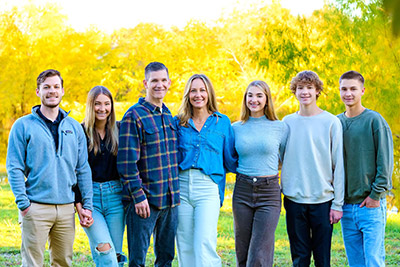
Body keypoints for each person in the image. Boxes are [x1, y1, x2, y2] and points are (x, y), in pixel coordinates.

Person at [6, 69, 93, 266]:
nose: (51, 91)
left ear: (63, 91)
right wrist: (24, 204)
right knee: (32, 263)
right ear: (38, 92)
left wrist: (86, 204)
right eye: (46, 87)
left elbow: (83, 168)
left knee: (63, 262)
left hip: (65, 209)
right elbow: (14, 167)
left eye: (56, 87)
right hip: (35, 207)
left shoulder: (74, 126)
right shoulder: (23, 125)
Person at [117, 62, 180, 267]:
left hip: (170, 200)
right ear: (145, 83)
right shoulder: (133, 116)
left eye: (163, 80)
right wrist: (138, 196)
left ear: (169, 83)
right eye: (154, 81)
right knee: (137, 260)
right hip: (145, 202)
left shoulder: (169, 115)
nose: (159, 85)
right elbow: (127, 163)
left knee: (166, 258)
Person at [280, 70, 344, 267]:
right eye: (300, 88)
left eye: (309, 88)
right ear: (295, 91)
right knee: (299, 258)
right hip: (294, 200)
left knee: (322, 258)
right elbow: (279, 160)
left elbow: (339, 165)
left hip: (323, 200)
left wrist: (338, 204)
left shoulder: (331, 122)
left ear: (317, 91)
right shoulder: (287, 123)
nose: (305, 92)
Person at [174, 74, 237, 267]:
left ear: (209, 93)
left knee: (204, 241)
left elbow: (230, 159)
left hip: (208, 187)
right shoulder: (178, 122)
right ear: (188, 94)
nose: (198, 95)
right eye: (193, 90)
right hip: (182, 187)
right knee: (184, 243)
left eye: (202, 90)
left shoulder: (222, 122)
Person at [337, 70, 393, 267]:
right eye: (344, 89)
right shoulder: (336, 123)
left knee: (374, 261)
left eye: (353, 89)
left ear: (362, 91)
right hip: (346, 206)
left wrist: (375, 195)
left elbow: (385, 162)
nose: (348, 93)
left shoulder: (374, 121)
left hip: (370, 205)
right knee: (356, 263)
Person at [232, 80, 288, 267]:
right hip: (242, 190)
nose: (253, 99)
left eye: (259, 95)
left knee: (259, 252)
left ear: (267, 99)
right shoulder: (235, 128)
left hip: (269, 192)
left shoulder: (280, 127)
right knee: (243, 249)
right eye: (250, 95)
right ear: (245, 98)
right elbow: (230, 158)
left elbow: (286, 158)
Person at [75, 86, 127, 266]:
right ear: (90, 106)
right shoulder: (79, 132)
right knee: (105, 251)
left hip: (116, 198)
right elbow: (74, 171)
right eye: (97, 104)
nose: (102, 108)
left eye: (107, 104)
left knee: (116, 255)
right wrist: (79, 206)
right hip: (91, 199)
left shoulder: (120, 130)